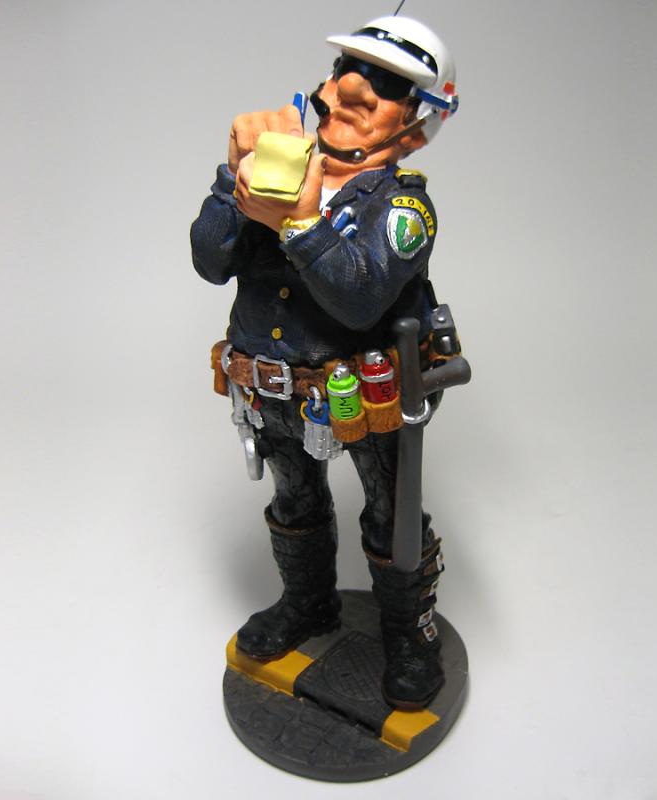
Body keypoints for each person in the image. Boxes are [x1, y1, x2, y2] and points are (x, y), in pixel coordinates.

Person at [190, 16, 460, 709]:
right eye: (348, 71)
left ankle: (409, 636)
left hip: (365, 394)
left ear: (419, 126)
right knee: (294, 498)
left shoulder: (404, 207)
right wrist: (232, 176)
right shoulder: (274, 174)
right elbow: (210, 261)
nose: (354, 90)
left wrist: (300, 222)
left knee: (390, 512)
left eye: (386, 86)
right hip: (275, 390)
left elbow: (360, 299)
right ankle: (308, 604)